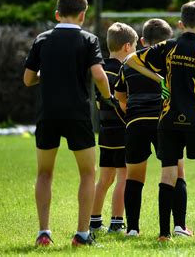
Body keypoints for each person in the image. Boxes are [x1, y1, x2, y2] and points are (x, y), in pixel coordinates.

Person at [126, 0, 195, 243]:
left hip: (167, 122)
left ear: (180, 24)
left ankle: (164, 234)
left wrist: (158, 78)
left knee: (168, 175)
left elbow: (132, 60)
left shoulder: (168, 47)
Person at [23, 0, 114, 246]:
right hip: (77, 113)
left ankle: (44, 233)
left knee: (44, 173)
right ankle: (82, 234)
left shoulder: (42, 39)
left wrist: (48, 76)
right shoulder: (88, 39)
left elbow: (28, 79)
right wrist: (108, 97)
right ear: (83, 15)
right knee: (87, 173)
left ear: (57, 14)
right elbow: (98, 74)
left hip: (47, 113)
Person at [115, 18, 191, 237]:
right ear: (167, 43)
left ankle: (132, 229)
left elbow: (119, 96)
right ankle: (179, 226)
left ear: (142, 40)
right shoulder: (172, 64)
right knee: (176, 172)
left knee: (134, 176)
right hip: (164, 122)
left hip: (136, 123)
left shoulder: (128, 64)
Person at [89, 22, 136, 234]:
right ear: (127, 47)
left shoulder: (101, 69)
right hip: (122, 130)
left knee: (105, 178)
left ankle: (94, 220)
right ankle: (117, 222)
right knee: (123, 177)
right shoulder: (123, 71)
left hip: (105, 131)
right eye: (134, 47)